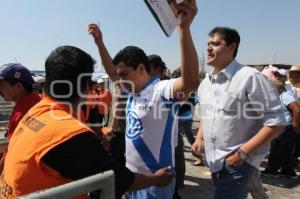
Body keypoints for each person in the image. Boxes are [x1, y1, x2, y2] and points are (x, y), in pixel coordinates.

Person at [0, 46, 175, 199]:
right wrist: (157, 180)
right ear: (85, 87)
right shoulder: (72, 136)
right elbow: (117, 179)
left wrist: (91, 131)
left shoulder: (36, 111)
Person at [88, 1, 199, 198]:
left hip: (156, 181)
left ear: (141, 68)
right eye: (119, 75)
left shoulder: (161, 89)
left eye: (125, 74)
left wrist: (184, 29)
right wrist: (100, 43)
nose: (119, 80)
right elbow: (112, 73)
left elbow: (189, 81)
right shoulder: (133, 92)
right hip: (134, 179)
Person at [192, 27, 287, 199]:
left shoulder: (250, 77)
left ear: (231, 47)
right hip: (215, 161)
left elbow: (277, 121)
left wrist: (241, 154)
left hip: (238, 162)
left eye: (215, 43)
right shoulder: (205, 83)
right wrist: (199, 138)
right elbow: (208, 115)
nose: (208, 48)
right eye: (208, 44)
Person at [0, 63, 42, 172]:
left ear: (18, 87)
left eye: (1, 85)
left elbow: (13, 151)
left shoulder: (23, 113)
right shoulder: (37, 102)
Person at [261, 80, 300, 179]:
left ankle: (272, 171)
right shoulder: (281, 96)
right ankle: (288, 171)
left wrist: (295, 124)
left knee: (276, 150)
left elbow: (297, 109)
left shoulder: (285, 96)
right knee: (286, 151)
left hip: (286, 127)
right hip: (286, 126)